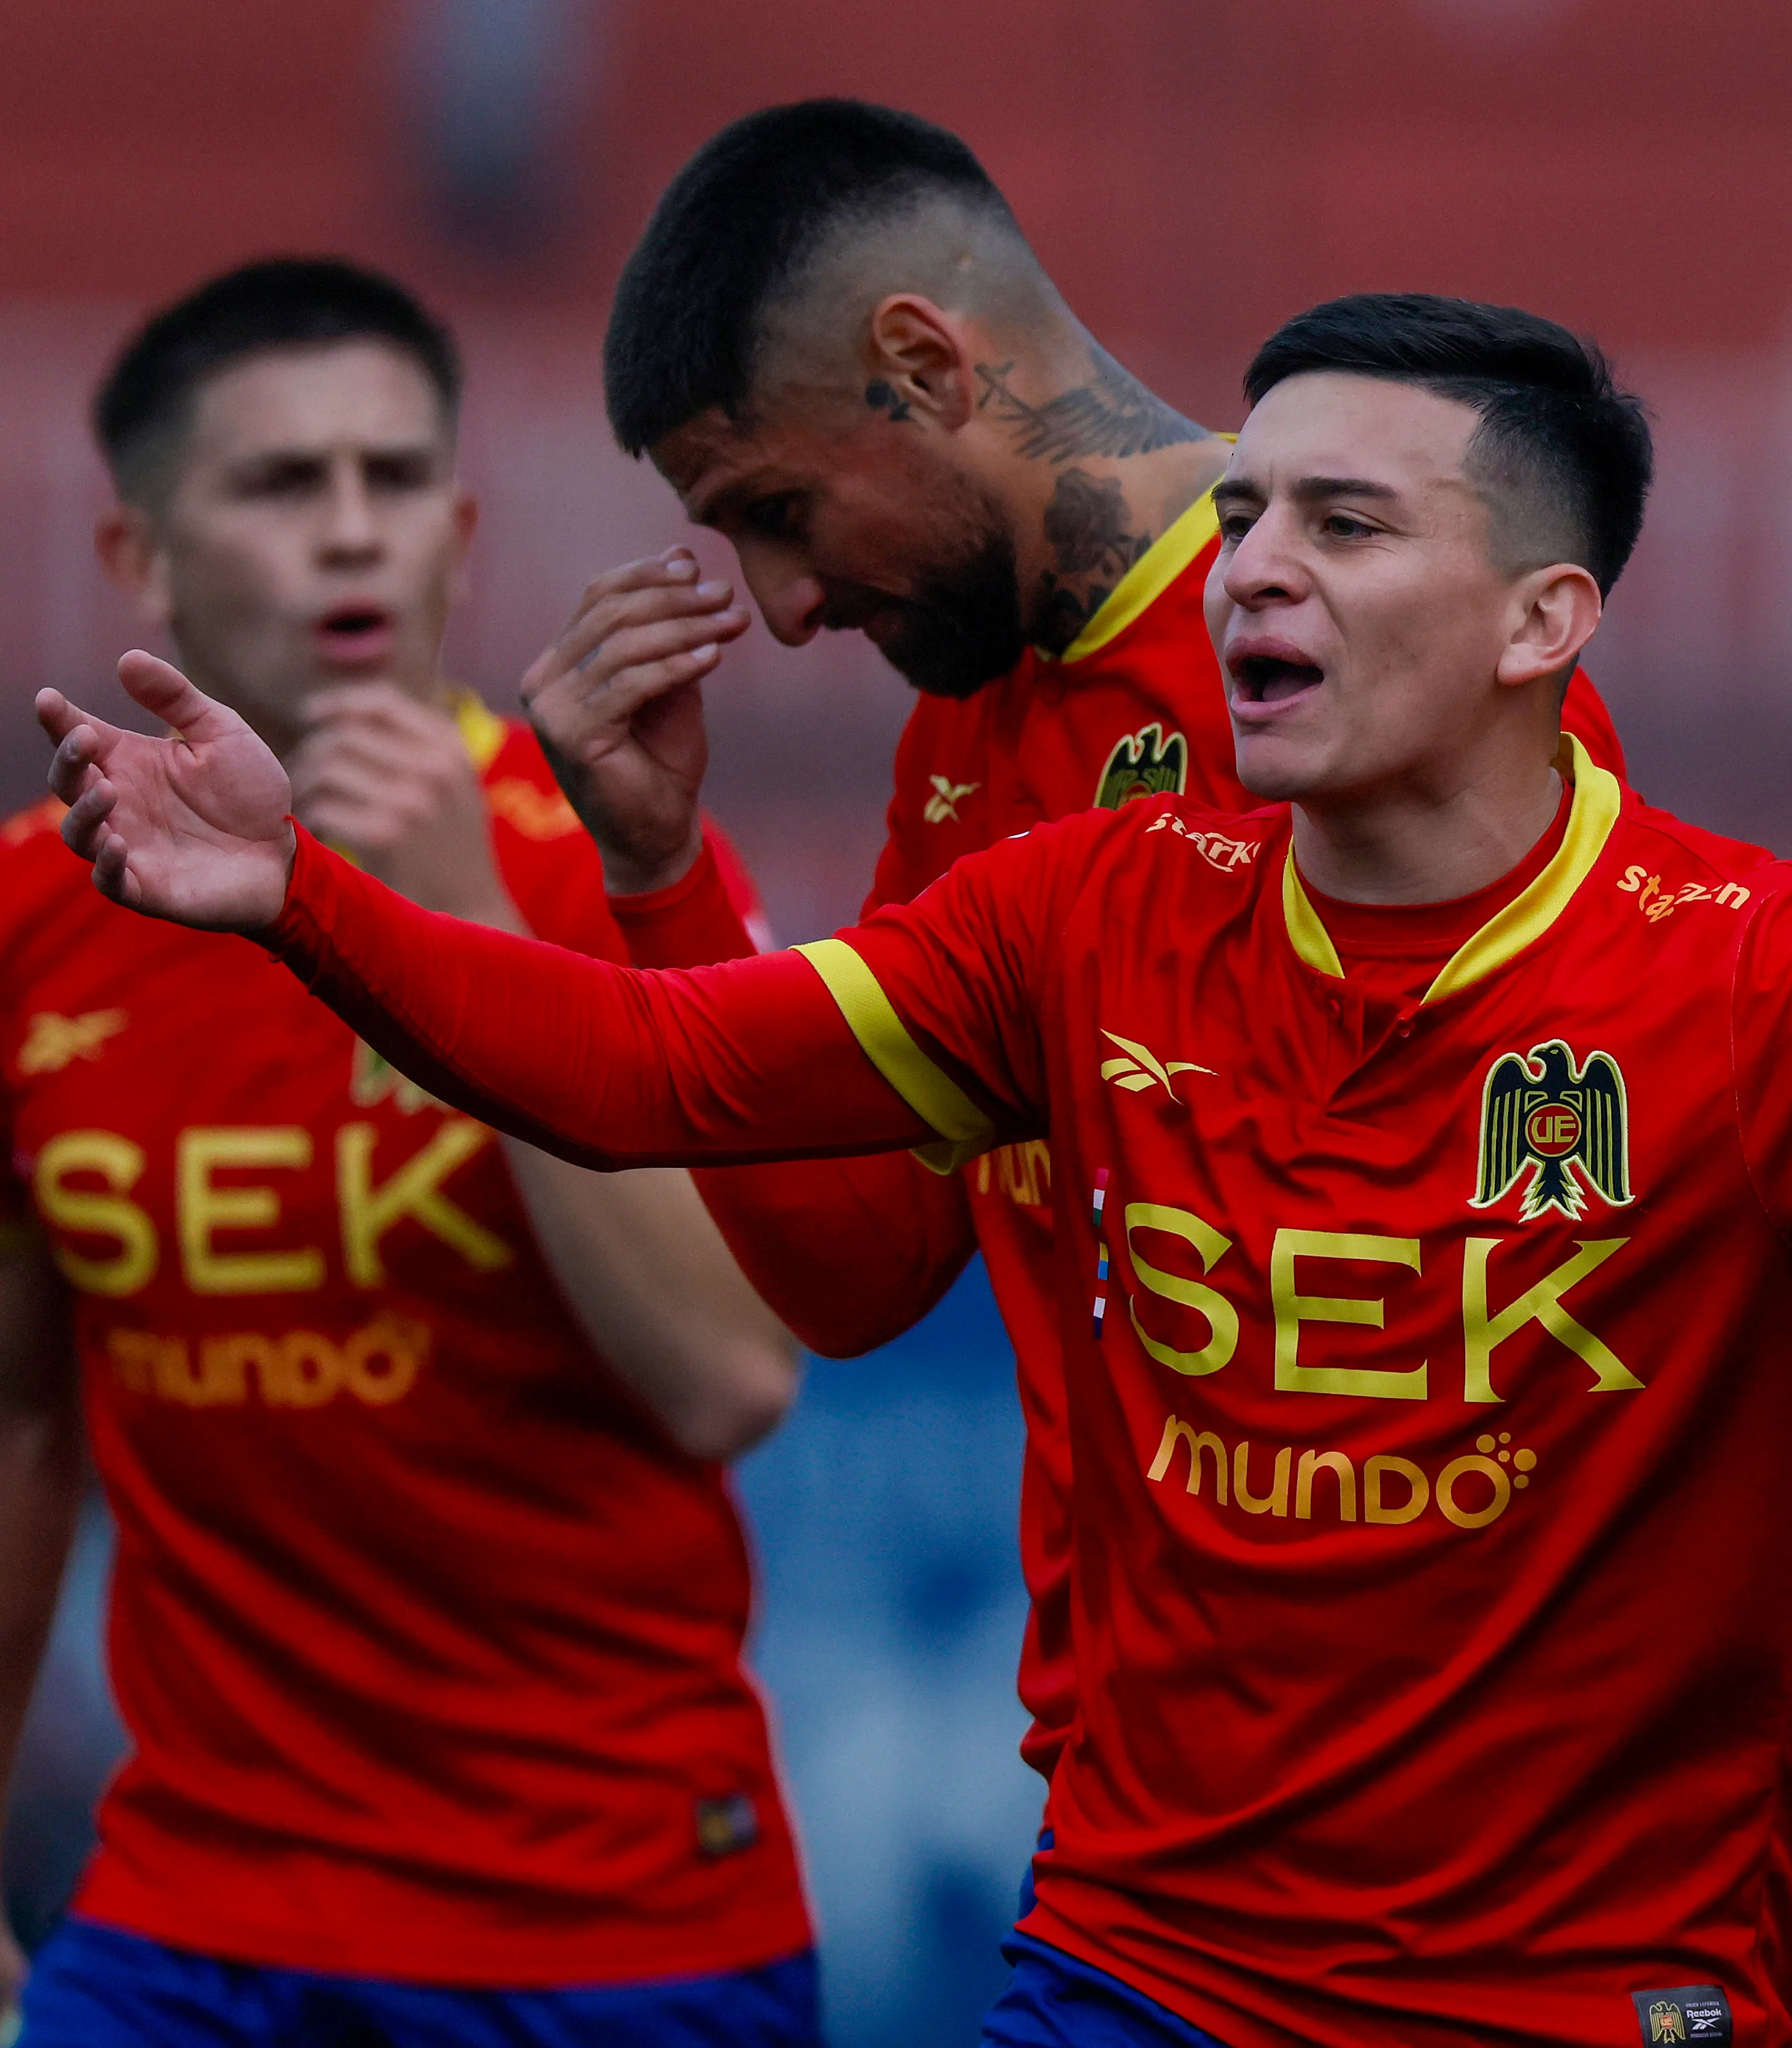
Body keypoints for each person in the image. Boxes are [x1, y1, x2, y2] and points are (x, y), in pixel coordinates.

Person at [40, 293, 1792, 2048]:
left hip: (1572, 1996)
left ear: (1545, 621)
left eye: (1343, 525)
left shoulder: (1756, 960)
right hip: (1133, 1973)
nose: (1255, 566)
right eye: (1244, 516)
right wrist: (300, 890)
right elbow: (642, 1073)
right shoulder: (1077, 905)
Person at [521, 101, 1628, 1827]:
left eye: (782, 505)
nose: (784, 604)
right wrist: (660, 872)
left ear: (922, 362)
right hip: (1138, 1810)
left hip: (1450, 1826)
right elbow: (864, 1265)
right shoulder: (966, 732)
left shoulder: (1387, 661)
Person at [0, 261, 815, 2042]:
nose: (351, 534)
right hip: (192, 1909)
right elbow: (19, 1417)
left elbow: (731, 1378)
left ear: (457, 533)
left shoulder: (615, 858)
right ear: (137, 556)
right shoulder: (30, 915)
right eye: (285, 486)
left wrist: (458, 921)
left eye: (393, 482)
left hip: (611, 1918)